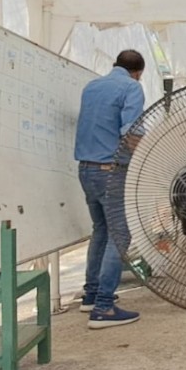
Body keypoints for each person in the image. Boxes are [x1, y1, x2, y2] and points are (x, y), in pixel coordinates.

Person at [74, 50, 145, 329]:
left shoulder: (91, 86)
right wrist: (154, 156)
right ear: (139, 72)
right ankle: (104, 307)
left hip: (85, 169)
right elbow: (130, 133)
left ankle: (90, 296)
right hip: (111, 171)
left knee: (101, 230)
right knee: (120, 233)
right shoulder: (132, 87)